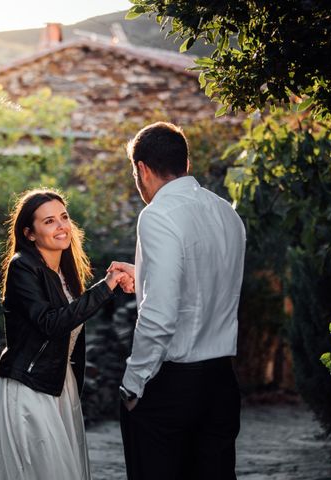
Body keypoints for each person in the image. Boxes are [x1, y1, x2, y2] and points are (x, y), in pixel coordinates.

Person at [109, 122, 246, 480]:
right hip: (221, 383)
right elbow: (211, 283)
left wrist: (132, 383)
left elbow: (160, 315)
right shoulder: (227, 213)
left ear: (142, 169)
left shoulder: (157, 215)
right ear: (184, 162)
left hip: (172, 388)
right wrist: (146, 278)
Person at [0, 188, 132, 480]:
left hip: (59, 382)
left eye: (64, 217)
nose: (61, 226)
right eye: (48, 221)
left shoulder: (64, 273)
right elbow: (50, 322)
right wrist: (106, 287)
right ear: (29, 233)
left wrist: (119, 280)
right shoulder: (22, 265)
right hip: (29, 387)